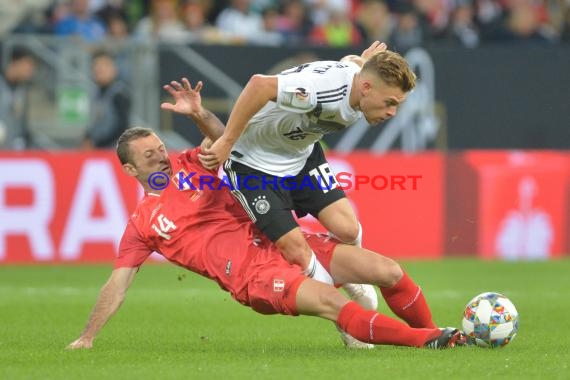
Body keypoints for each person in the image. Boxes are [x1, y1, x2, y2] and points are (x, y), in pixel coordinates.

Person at [67, 78, 466, 351]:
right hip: (254, 276)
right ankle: (431, 340)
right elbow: (117, 284)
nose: (159, 154)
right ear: (130, 170)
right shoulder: (141, 226)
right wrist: (87, 337)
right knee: (334, 304)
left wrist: (196, 113)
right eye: (148, 154)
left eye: (158, 146)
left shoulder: (192, 166)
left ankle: (431, 335)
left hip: (280, 238)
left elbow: (224, 138)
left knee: (389, 271)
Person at [198, 41, 416, 347]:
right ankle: (347, 321)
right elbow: (259, 85)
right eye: (390, 102)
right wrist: (225, 141)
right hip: (255, 166)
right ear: (366, 88)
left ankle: (352, 282)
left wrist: (361, 62)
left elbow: (350, 63)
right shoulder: (319, 91)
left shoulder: (358, 78)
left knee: (348, 229)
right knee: (297, 250)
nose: (392, 112)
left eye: (398, 105)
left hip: (300, 156)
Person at [80, 50, 130, 150]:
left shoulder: (119, 94)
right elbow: (96, 123)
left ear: (114, 70)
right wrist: (87, 138)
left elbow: (121, 127)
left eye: (104, 66)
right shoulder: (96, 94)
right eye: (96, 66)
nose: (99, 70)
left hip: (111, 151)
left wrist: (96, 144)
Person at [0, 48, 37, 150]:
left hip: (11, 153)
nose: (30, 71)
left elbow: (21, 124)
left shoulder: (21, 90)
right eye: (27, 65)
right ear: (15, 63)